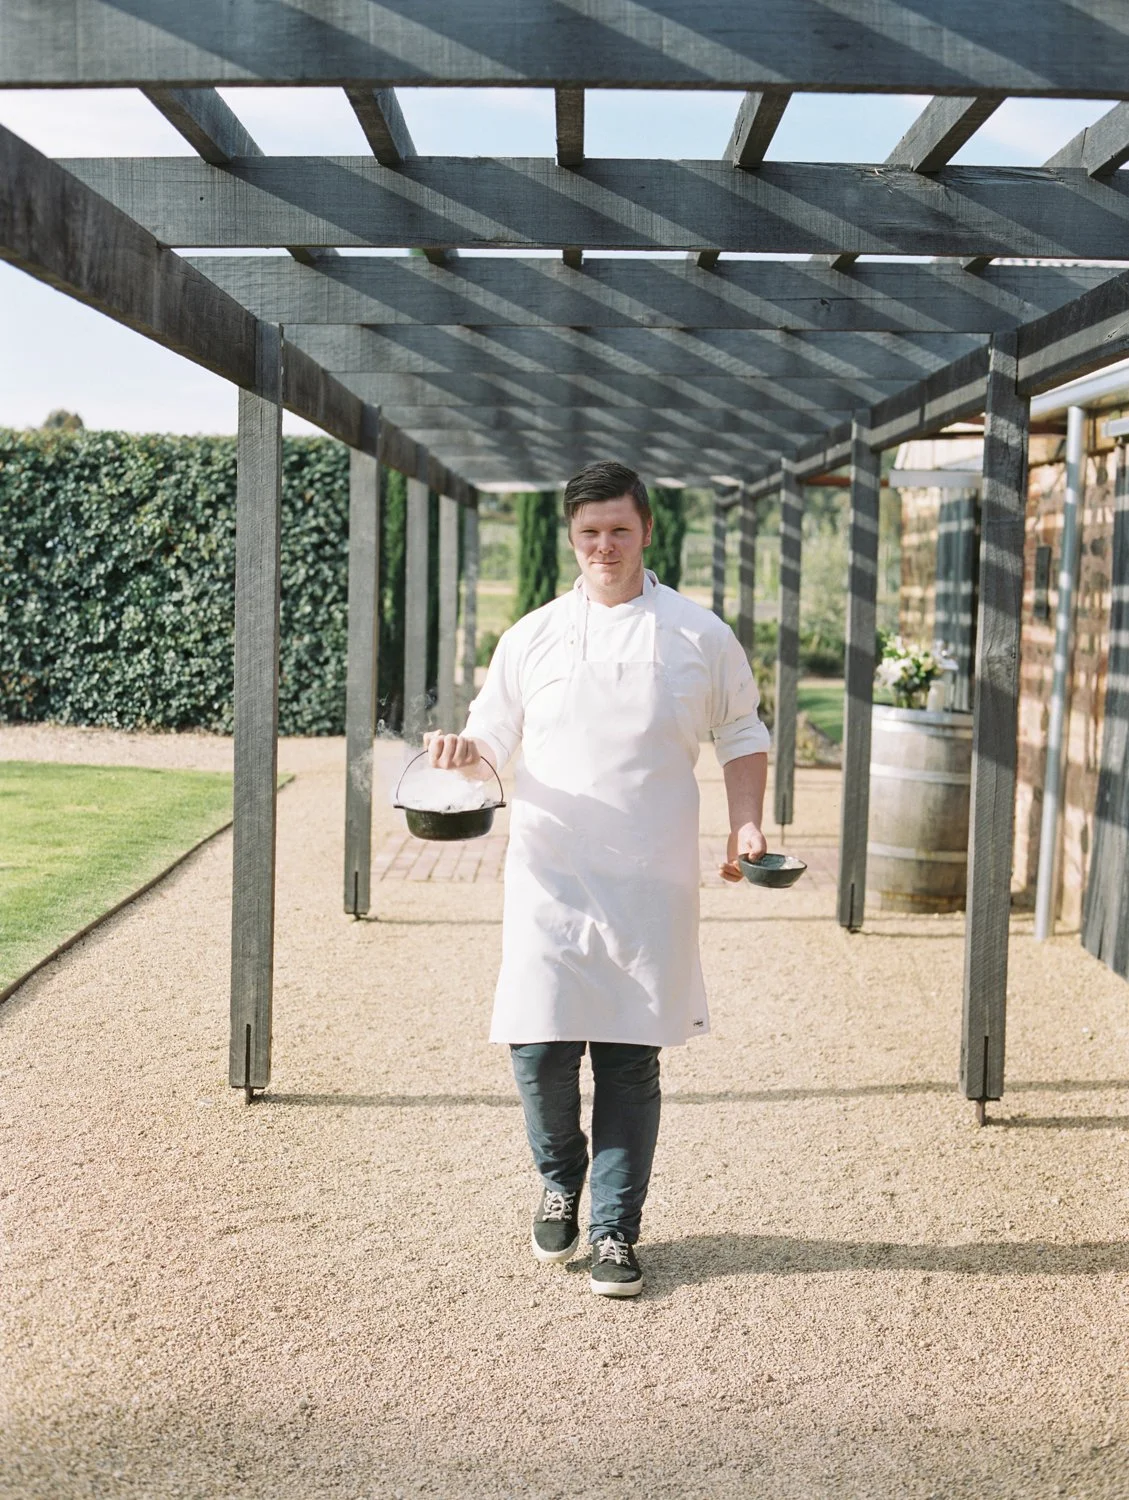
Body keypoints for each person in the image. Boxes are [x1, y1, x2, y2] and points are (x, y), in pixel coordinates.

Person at [426, 461, 770, 1297]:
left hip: (652, 882)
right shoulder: (532, 636)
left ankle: (615, 1231)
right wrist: (464, 756)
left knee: (626, 1062)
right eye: (589, 533)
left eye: (618, 529)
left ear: (646, 530)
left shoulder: (697, 633)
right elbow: (490, 741)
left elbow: (742, 731)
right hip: (548, 879)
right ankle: (558, 1177)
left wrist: (747, 821)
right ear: (570, 538)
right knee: (538, 1049)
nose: (604, 546)